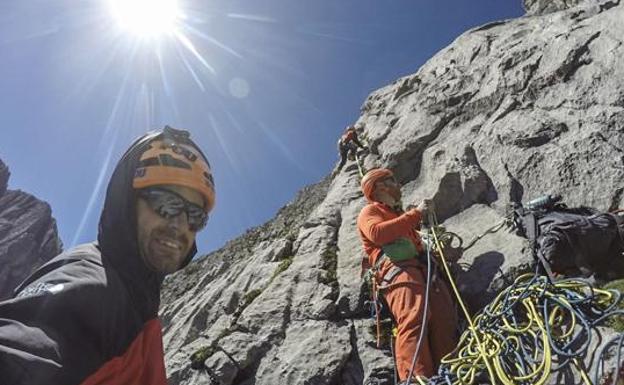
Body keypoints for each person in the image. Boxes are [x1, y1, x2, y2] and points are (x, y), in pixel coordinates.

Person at [0, 126, 215, 385]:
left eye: (195, 216)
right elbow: (27, 350)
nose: (180, 225)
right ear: (127, 202)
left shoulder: (138, 298)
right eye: (166, 205)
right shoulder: (92, 282)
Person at [357, 168, 457, 383]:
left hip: (424, 272)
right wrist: (416, 214)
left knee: (444, 318)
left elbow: (418, 246)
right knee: (414, 317)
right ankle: (416, 379)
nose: (399, 185)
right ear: (380, 186)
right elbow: (377, 233)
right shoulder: (370, 211)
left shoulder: (399, 217)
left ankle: (451, 373)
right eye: (393, 180)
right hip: (398, 272)